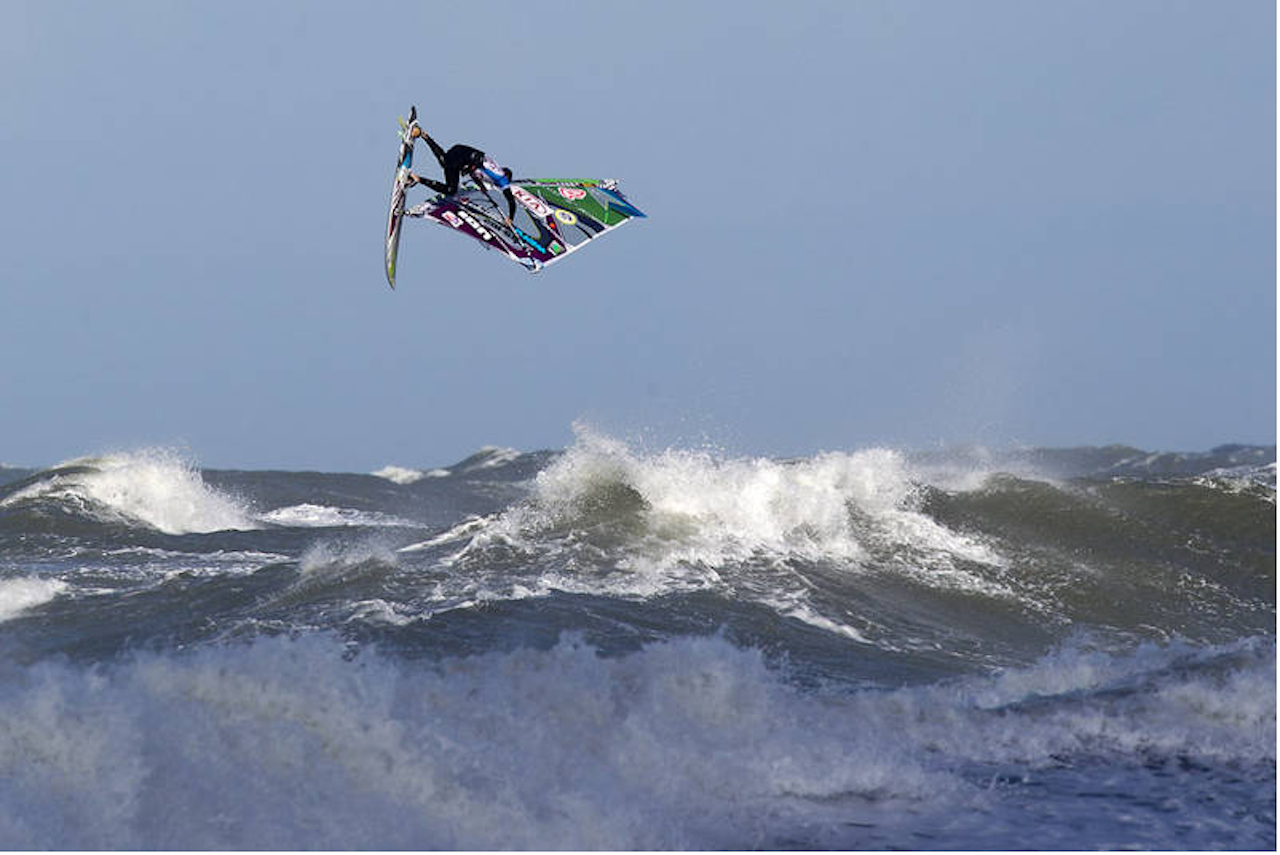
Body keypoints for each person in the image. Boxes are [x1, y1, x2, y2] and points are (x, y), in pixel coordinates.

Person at [406, 126, 516, 225]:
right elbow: (511, 200)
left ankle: (423, 138)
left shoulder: (494, 170)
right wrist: (510, 218)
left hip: (461, 154)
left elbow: (478, 171)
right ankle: (417, 176)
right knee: (447, 174)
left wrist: (480, 185)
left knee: (448, 175)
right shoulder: (501, 178)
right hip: (464, 155)